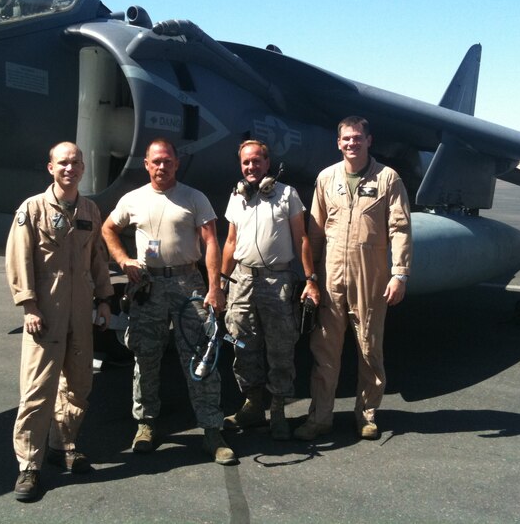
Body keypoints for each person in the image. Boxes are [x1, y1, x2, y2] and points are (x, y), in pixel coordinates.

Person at [101, 138, 235, 465]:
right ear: (146, 164)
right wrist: (123, 261)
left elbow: (210, 242)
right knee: (146, 355)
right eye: (155, 161)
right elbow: (108, 229)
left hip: (188, 281)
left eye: (167, 161)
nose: (162, 166)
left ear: (176, 163)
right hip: (148, 283)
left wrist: (214, 287)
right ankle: (146, 424)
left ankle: (211, 429)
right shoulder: (132, 200)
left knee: (202, 354)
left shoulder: (194, 198)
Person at [5, 142, 113, 501]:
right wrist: (29, 305)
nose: (70, 168)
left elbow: (97, 256)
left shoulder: (89, 209)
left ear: (83, 168)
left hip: (81, 311)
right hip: (46, 314)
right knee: (37, 391)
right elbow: (18, 258)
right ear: (50, 167)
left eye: (76, 163)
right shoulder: (32, 209)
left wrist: (105, 299)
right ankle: (29, 467)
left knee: (78, 384)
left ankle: (63, 445)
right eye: (63, 163)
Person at [294, 116, 412, 441]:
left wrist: (399, 273)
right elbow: (315, 231)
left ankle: (367, 415)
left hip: (370, 275)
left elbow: (400, 229)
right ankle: (320, 418)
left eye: (357, 138)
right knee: (324, 351)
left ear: (369, 140)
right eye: (346, 138)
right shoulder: (326, 178)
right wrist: (311, 278)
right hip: (331, 274)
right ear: (338, 142)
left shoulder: (388, 179)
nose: (351, 143)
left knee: (369, 349)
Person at [221, 140, 320, 439]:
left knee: (280, 348)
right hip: (241, 281)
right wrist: (220, 282)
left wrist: (310, 278)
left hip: (277, 281)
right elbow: (229, 242)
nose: (251, 167)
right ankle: (252, 405)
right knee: (242, 344)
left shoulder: (287, 194)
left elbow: (302, 238)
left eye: (256, 161)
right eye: (245, 163)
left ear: (267, 163)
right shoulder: (237, 197)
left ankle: (277, 410)